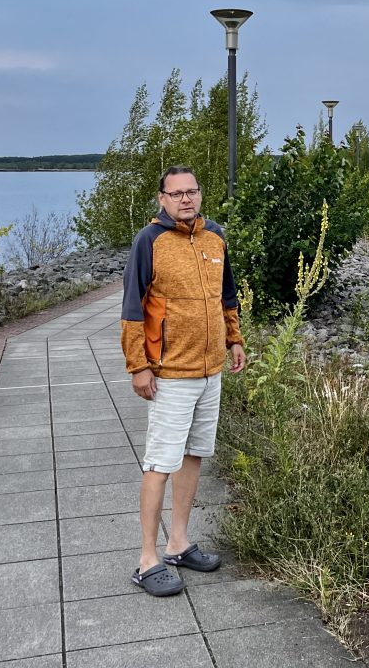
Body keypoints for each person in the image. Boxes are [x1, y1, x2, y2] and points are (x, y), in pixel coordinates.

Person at [120, 165, 246, 597]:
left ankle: (177, 544)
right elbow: (132, 308)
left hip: (210, 371)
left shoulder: (216, 236)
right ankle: (147, 560)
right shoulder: (149, 240)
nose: (185, 199)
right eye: (176, 194)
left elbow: (227, 296)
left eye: (191, 192)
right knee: (159, 463)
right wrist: (138, 365)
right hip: (170, 373)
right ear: (162, 199)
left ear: (200, 195)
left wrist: (234, 339)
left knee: (193, 456)